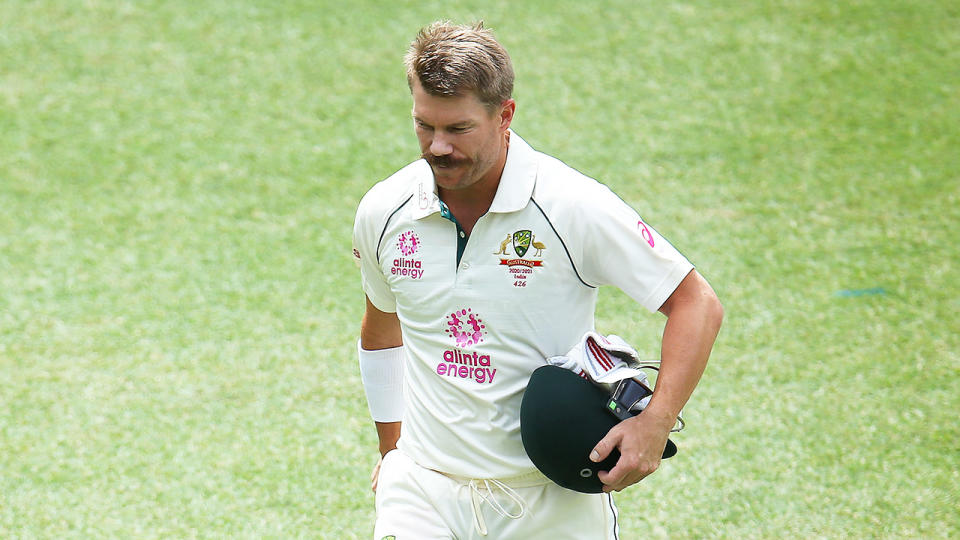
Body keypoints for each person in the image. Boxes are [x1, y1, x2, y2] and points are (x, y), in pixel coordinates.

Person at [352, 20, 723, 539]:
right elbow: (382, 330)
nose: (436, 147)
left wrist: (656, 421)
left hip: (551, 501)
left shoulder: (571, 206)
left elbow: (696, 302)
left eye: (457, 130)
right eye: (423, 126)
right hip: (422, 491)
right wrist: (392, 452)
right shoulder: (385, 210)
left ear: (504, 116)